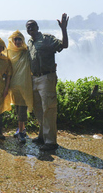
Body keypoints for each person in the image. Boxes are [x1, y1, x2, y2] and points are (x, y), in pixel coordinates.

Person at [26, 13, 69, 151]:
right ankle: (42, 136)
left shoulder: (47, 39)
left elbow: (64, 45)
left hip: (46, 78)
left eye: (32, 26)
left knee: (49, 109)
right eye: (28, 28)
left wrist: (63, 29)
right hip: (34, 78)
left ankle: (51, 142)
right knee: (39, 109)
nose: (30, 29)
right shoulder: (30, 42)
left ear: (38, 27)